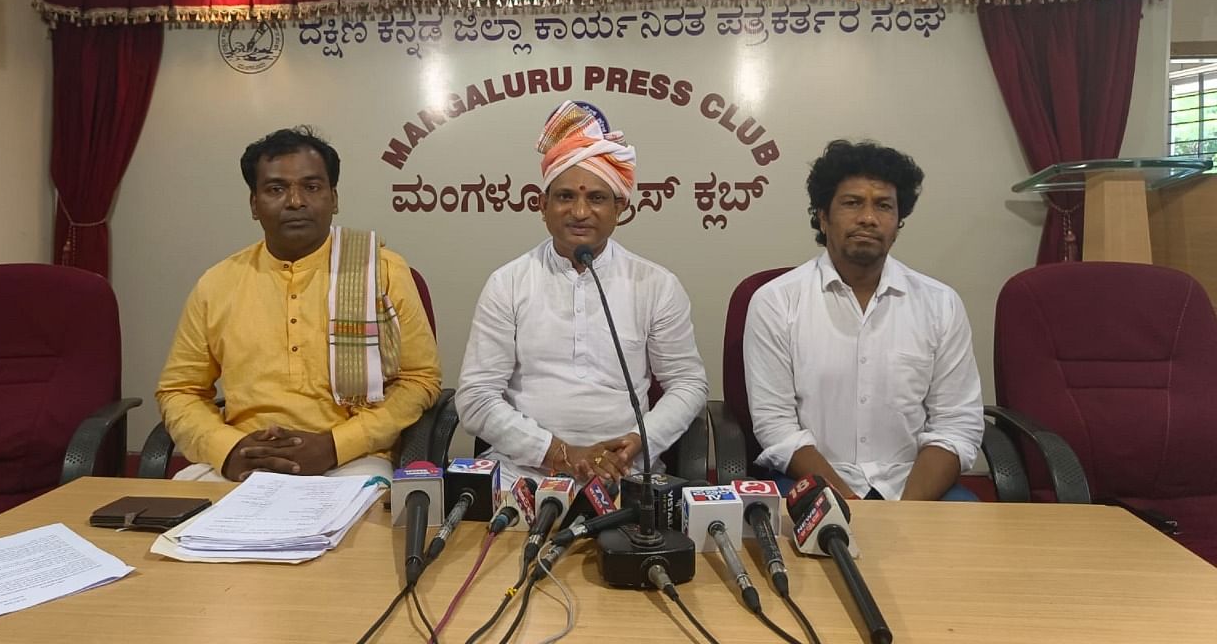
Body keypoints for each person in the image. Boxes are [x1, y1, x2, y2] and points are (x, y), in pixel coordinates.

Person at [156, 126, 441, 483]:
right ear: (254, 204)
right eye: (276, 189)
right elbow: (180, 390)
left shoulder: (379, 270)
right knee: (175, 533)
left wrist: (335, 444)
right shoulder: (217, 284)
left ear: (333, 198)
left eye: (312, 187)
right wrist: (228, 449)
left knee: (364, 534)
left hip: (350, 461)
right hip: (244, 460)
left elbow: (420, 380)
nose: (295, 201)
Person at [457, 101, 708, 486]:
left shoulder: (656, 284)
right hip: (524, 475)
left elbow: (688, 383)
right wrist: (559, 453)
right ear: (542, 205)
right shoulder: (507, 283)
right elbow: (476, 398)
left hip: (624, 473)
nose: (579, 211)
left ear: (620, 208)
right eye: (565, 197)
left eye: (596, 198)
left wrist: (639, 442)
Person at [744, 139, 984, 501]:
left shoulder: (940, 304)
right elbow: (776, 426)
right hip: (812, 483)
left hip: (914, 487)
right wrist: (853, 509)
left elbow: (956, 423)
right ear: (823, 216)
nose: (868, 218)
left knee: (969, 549)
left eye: (884, 206)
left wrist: (906, 512)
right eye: (853, 203)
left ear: (898, 222)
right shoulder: (776, 301)